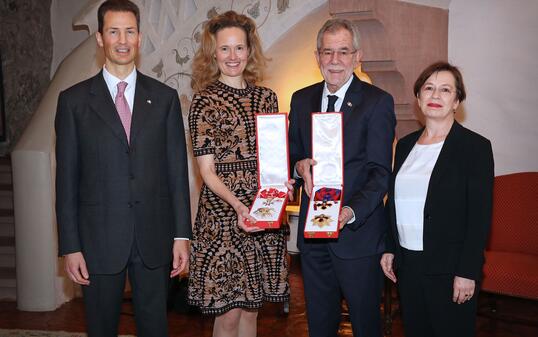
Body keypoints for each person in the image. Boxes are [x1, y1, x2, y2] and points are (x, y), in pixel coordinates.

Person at [55, 1, 192, 336]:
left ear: (140, 37)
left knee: (155, 328)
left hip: (155, 238)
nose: (122, 39)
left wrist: (181, 235)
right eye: (113, 31)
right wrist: (70, 246)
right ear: (100, 37)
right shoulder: (73, 102)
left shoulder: (164, 98)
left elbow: (177, 172)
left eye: (129, 31)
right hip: (97, 241)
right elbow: (66, 181)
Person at [288, 19, 396, 337]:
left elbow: (380, 173)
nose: (335, 60)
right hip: (313, 234)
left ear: (357, 56)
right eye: (327, 52)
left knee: (365, 324)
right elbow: (292, 154)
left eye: (343, 52)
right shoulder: (301, 99)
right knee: (319, 323)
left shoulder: (377, 102)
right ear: (317, 56)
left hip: (357, 235)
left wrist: (348, 213)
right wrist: (298, 166)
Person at [187, 10, 292, 337]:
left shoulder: (267, 98)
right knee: (229, 314)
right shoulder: (203, 102)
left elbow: (272, 159)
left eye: (239, 48)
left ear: (250, 51)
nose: (233, 56)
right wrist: (239, 206)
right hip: (224, 215)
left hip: (264, 211)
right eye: (224, 49)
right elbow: (207, 172)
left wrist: (281, 184)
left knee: (252, 310)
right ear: (213, 53)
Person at [380, 62, 494, 337]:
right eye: (428, 88)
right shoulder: (405, 145)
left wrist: (467, 271)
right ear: (418, 99)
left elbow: (479, 217)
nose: (435, 95)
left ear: (456, 101)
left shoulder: (475, 148)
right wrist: (389, 247)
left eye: (445, 90)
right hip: (408, 264)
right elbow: (396, 203)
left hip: (450, 268)